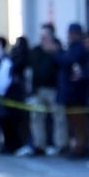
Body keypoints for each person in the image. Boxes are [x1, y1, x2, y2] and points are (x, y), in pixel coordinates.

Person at [28, 23, 66, 157]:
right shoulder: (36, 51)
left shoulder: (57, 49)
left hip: (53, 89)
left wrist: (54, 51)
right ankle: (39, 145)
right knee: (36, 118)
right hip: (39, 90)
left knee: (59, 118)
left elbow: (62, 64)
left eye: (45, 36)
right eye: (41, 36)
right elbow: (32, 69)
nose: (42, 39)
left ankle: (61, 145)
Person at [58, 23, 89, 159]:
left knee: (79, 122)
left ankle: (81, 147)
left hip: (75, 93)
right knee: (74, 122)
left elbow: (67, 61)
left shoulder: (77, 48)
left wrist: (56, 53)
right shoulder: (74, 48)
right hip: (72, 93)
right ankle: (79, 146)